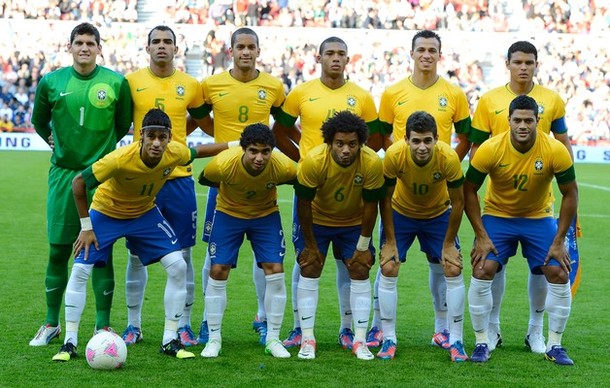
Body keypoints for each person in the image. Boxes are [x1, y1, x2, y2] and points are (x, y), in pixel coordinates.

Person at [51, 108, 231, 362]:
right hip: (106, 212)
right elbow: (79, 183)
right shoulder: (119, 158)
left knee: (178, 265)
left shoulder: (175, 152)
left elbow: (200, 151)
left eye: (162, 137)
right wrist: (86, 227)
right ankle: (69, 343)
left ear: (169, 138)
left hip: (144, 214)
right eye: (151, 136)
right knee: (80, 270)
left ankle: (170, 339)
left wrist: (237, 144)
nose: (157, 143)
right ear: (141, 137)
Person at [468, 40, 577, 354]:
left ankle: (537, 334)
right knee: (488, 266)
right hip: (498, 209)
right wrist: (479, 233)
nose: (523, 67)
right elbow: (474, 167)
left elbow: (564, 157)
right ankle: (490, 332)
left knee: (551, 268)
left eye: (529, 62)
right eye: (518, 62)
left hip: (539, 212)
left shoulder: (552, 102)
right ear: (508, 63)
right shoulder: (489, 102)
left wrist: (563, 231)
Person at [272, 36, 380, 351]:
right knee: (307, 257)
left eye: (341, 54)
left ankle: (348, 329)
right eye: (329, 53)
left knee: (353, 263)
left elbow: (370, 140)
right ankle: (298, 327)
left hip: (350, 189)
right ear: (319, 57)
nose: (335, 58)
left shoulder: (361, 96)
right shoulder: (301, 92)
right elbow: (281, 131)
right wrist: (302, 159)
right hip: (312, 183)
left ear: (348, 59)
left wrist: (353, 168)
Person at [30, 22, 133, 346]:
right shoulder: (51, 82)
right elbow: (38, 121)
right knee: (58, 250)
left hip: (102, 178)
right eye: (79, 42)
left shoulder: (116, 82)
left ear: (99, 48)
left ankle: (102, 326)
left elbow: (123, 123)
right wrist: (57, 144)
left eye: (90, 43)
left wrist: (99, 156)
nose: (85, 48)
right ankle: (51, 323)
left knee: (101, 251)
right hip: (63, 175)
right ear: (70, 47)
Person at [370, 29, 472, 349]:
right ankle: (377, 328)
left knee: (442, 264)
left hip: (438, 201)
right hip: (402, 199)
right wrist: (407, 162)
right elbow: (379, 136)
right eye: (421, 49)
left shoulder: (454, 94)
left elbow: (466, 136)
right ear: (411, 54)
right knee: (387, 262)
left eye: (432, 50)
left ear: (440, 55)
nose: (426, 54)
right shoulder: (392, 93)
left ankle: (442, 329)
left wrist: (439, 167)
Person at [121, 25, 213, 348]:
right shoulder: (131, 82)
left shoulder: (190, 85)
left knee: (184, 255)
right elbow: (118, 124)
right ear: (147, 48)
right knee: (134, 256)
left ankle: (183, 324)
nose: (162, 46)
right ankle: (134, 325)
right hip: (141, 181)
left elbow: (203, 120)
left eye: (167, 42)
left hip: (179, 180)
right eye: (156, 42)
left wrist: (179, 141)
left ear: (177, 48)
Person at [193, 27, 287, 346]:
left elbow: (283, 126)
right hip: (224, 177)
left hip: (261, 176)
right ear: (230, 51)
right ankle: (208, 321)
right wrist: (226, 143)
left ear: (258, 51)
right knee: (213, 254)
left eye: (251, 47)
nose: (246, 52)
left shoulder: (274, 86)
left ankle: (262, 317)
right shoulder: (211, 84)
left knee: (265, 257)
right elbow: (198, 120)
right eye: (240, 47)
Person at [198, 123, 297, 359]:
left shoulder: (283, 166)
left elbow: (299, 181)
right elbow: (204, 179)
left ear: (272, 150)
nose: (259, 157)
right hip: (228, 214)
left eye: (265, 151)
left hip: (265, 216)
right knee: (218, 269)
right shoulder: (223, 163)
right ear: (243, 149)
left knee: (275, 268)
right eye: (253, 151)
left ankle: (273, 338)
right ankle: (214, 338)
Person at [293, 111, 385, 360]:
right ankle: (308, 338)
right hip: (317, 220)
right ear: (330, 142)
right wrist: (311, 245)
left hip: (353, 221)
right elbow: (303, 204)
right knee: (310, 266)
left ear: (361, 144)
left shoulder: (372, 162)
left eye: (352, 144)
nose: (346, 150)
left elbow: (371, 206)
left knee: (360, 267)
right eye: (340, 144)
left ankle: (359, 339)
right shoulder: (314, 161)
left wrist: (364, 245)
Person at [377, 111, 467, 362]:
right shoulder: (394, 155)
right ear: (405, 139)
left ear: (437, 138)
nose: (422, 146)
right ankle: (389, 338)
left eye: (427, 140)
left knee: (452, 267)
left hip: (438, 214)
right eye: (416, 140)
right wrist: (390, 241)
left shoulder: (448, 157)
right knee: (389, 265)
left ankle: (454, 339)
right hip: (401, 213)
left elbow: (458, 203)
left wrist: (449, 243)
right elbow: (384, 198)